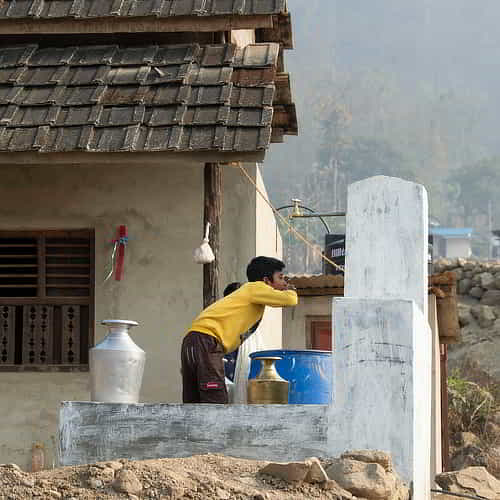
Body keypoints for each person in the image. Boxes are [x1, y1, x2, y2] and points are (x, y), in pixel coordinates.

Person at [181, 256, 298, 403]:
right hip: (207, 342)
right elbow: (291, 300)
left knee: (194, 402)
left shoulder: (249, 294)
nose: (284, 282)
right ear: (266, 280)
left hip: (192, 340)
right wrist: (291, 290)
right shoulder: (255, 287)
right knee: (215, 400)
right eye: (280, 278)